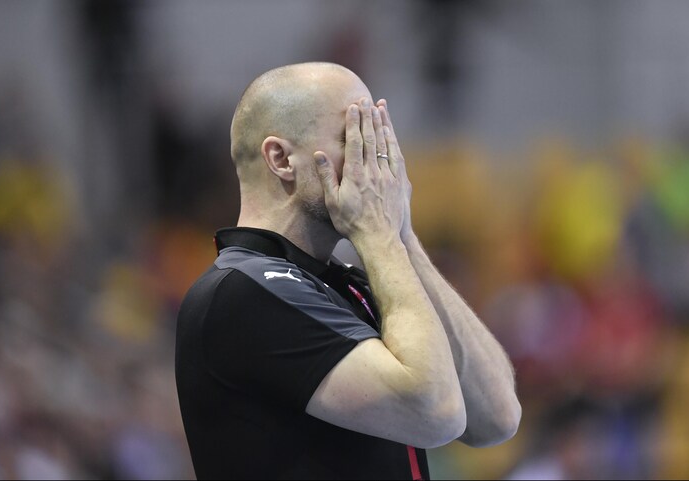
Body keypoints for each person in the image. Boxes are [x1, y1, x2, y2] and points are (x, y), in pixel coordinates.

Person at [175, 62, 521, 480]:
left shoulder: (346, 280)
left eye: (381, 140)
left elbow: (497, 418)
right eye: (356, 138)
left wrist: (402, 235)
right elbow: (436, 413)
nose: (380, 165)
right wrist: (381, 235)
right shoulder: (240, 292)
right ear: (281, 159)